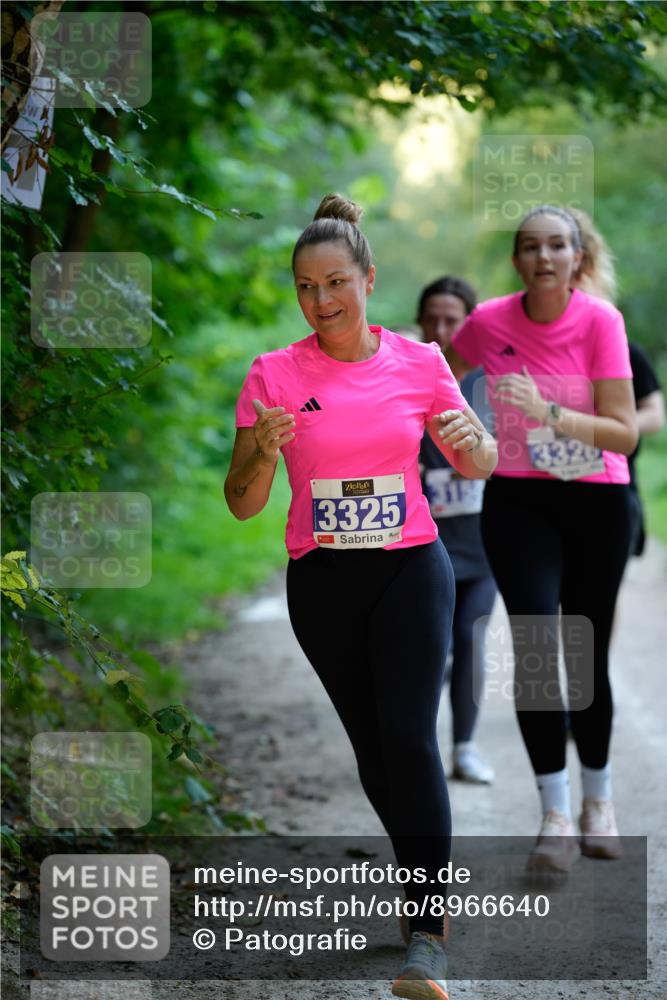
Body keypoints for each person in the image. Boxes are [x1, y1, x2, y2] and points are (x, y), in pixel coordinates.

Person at [225, 193, 497, 999]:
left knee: (411, 743)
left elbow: (477, 461)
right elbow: (240, 501)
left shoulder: (418, 361)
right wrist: (265, 456)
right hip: (323, 580)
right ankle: (422, 889)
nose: (321, 301)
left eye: (335, 282)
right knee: (375, 754)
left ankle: (427, 935)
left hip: (411, 567)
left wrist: (470, 440)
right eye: (305, 288)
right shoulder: (272, 374)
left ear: (368, 280)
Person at [446, 204, 638, 872]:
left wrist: (548, 413)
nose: (544, 257)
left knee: (581, 653)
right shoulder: (487, 321)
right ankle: (553, 814)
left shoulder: (600, 322)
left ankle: (598, 799)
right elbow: (435, 372)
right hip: (518, 502)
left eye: (557, 246)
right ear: (516, 261)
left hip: (594, 501)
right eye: (530, 246)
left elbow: (624, 431)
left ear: (577, 258)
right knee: (533, 649)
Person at [417, 276, 497, 784]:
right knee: (431, 646)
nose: (443, 330)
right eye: (433, 319)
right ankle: (415, 756)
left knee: (471, 638)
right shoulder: (406, 375)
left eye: (454, 320)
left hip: (484, 545)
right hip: (425, 547)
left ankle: (464, 748)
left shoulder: (492, 383)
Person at [570, 208, 665, 559]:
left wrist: (603, 429)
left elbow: (655, 414)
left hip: (612, 485)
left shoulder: (623, 348)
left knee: (598, 598)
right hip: (545, 487)